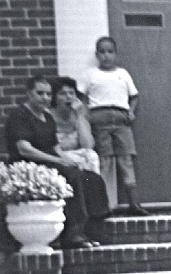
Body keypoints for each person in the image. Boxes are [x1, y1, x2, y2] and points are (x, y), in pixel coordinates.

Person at [5, 75, 110, 249]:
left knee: (91, 178)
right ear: (29, 94)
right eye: (40, 93)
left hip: (49, 163)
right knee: (73, 177)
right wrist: (58, 161)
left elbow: (55, 147)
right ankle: (73, 233)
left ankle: (93, 227)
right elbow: (25, 149)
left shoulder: (47, 117)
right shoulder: (20, 115)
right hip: (28, 166)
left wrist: (68, 159)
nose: (45, 98)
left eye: (48, 94)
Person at [80, 36, 148, 215]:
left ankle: (134, 203)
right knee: (106, 161)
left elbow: (134, 96)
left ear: (115, 54)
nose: (106, 56)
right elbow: (81, 97)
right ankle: (106, 204)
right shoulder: (91, 74)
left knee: (126, 159)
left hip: (120, 119)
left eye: (109, 51)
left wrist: (131, 111)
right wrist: (85, 115)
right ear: (97, 54)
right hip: (99, 118)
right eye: (102, 52)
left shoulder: (122, 74)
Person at [50, 77, 100, 174]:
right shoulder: (48, 116)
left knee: (92, 156)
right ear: (54, 98)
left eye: (71, 93)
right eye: (62, 94)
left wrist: (79, 116)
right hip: (57, 157)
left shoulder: (80, 115)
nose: (68, 97)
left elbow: (88, 145)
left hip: (77, 157)